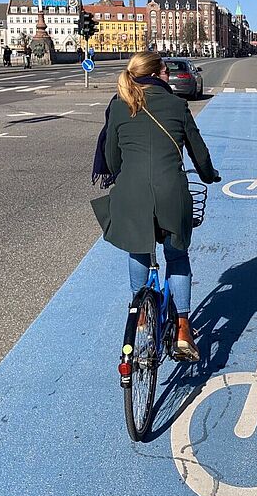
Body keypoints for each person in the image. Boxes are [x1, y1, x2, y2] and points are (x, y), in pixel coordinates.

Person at [92, 52, 220, 362]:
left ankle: (142, 318)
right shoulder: (177, 105)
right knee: (176, 256)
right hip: (170, 194)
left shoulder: (120, 105)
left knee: (138, 250)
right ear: (159, 73)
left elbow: (111, 159)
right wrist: (209, 175)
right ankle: (183, 329)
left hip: (131, 196)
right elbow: (198, 152)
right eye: (165, 69)